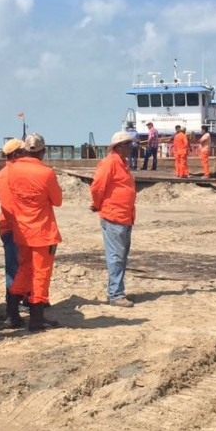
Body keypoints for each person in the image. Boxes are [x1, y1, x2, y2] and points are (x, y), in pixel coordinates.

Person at [0, 133, 63, 331]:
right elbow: (58, 200)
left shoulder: (12, 171)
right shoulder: (46, 173)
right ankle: (36, 318)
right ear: (42, 152)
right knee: (41, 274)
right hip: (42, 231)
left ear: (25, 150)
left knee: (24, 270)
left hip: (21, 230)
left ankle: (12, 313)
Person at [90, 131, 137, 307]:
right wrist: (97, 204)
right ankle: (116, 294)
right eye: (128, 144)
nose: (131, 147)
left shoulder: (121, 163)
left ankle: (116, 291)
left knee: (120, 255)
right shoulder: (110, 163)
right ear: (119, 146)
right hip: (114, 216)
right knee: (116, 256)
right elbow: (97, 187)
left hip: (124, 216)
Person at [0, 138, 25, 326]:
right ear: (15, 155)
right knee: (14, 270)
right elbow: (8, 206)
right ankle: (11, 313)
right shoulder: (6, 175)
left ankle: (24, 302)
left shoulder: (13, 173)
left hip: (20, 226)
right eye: (23, 152)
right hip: (13, 228)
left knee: (21, 267)